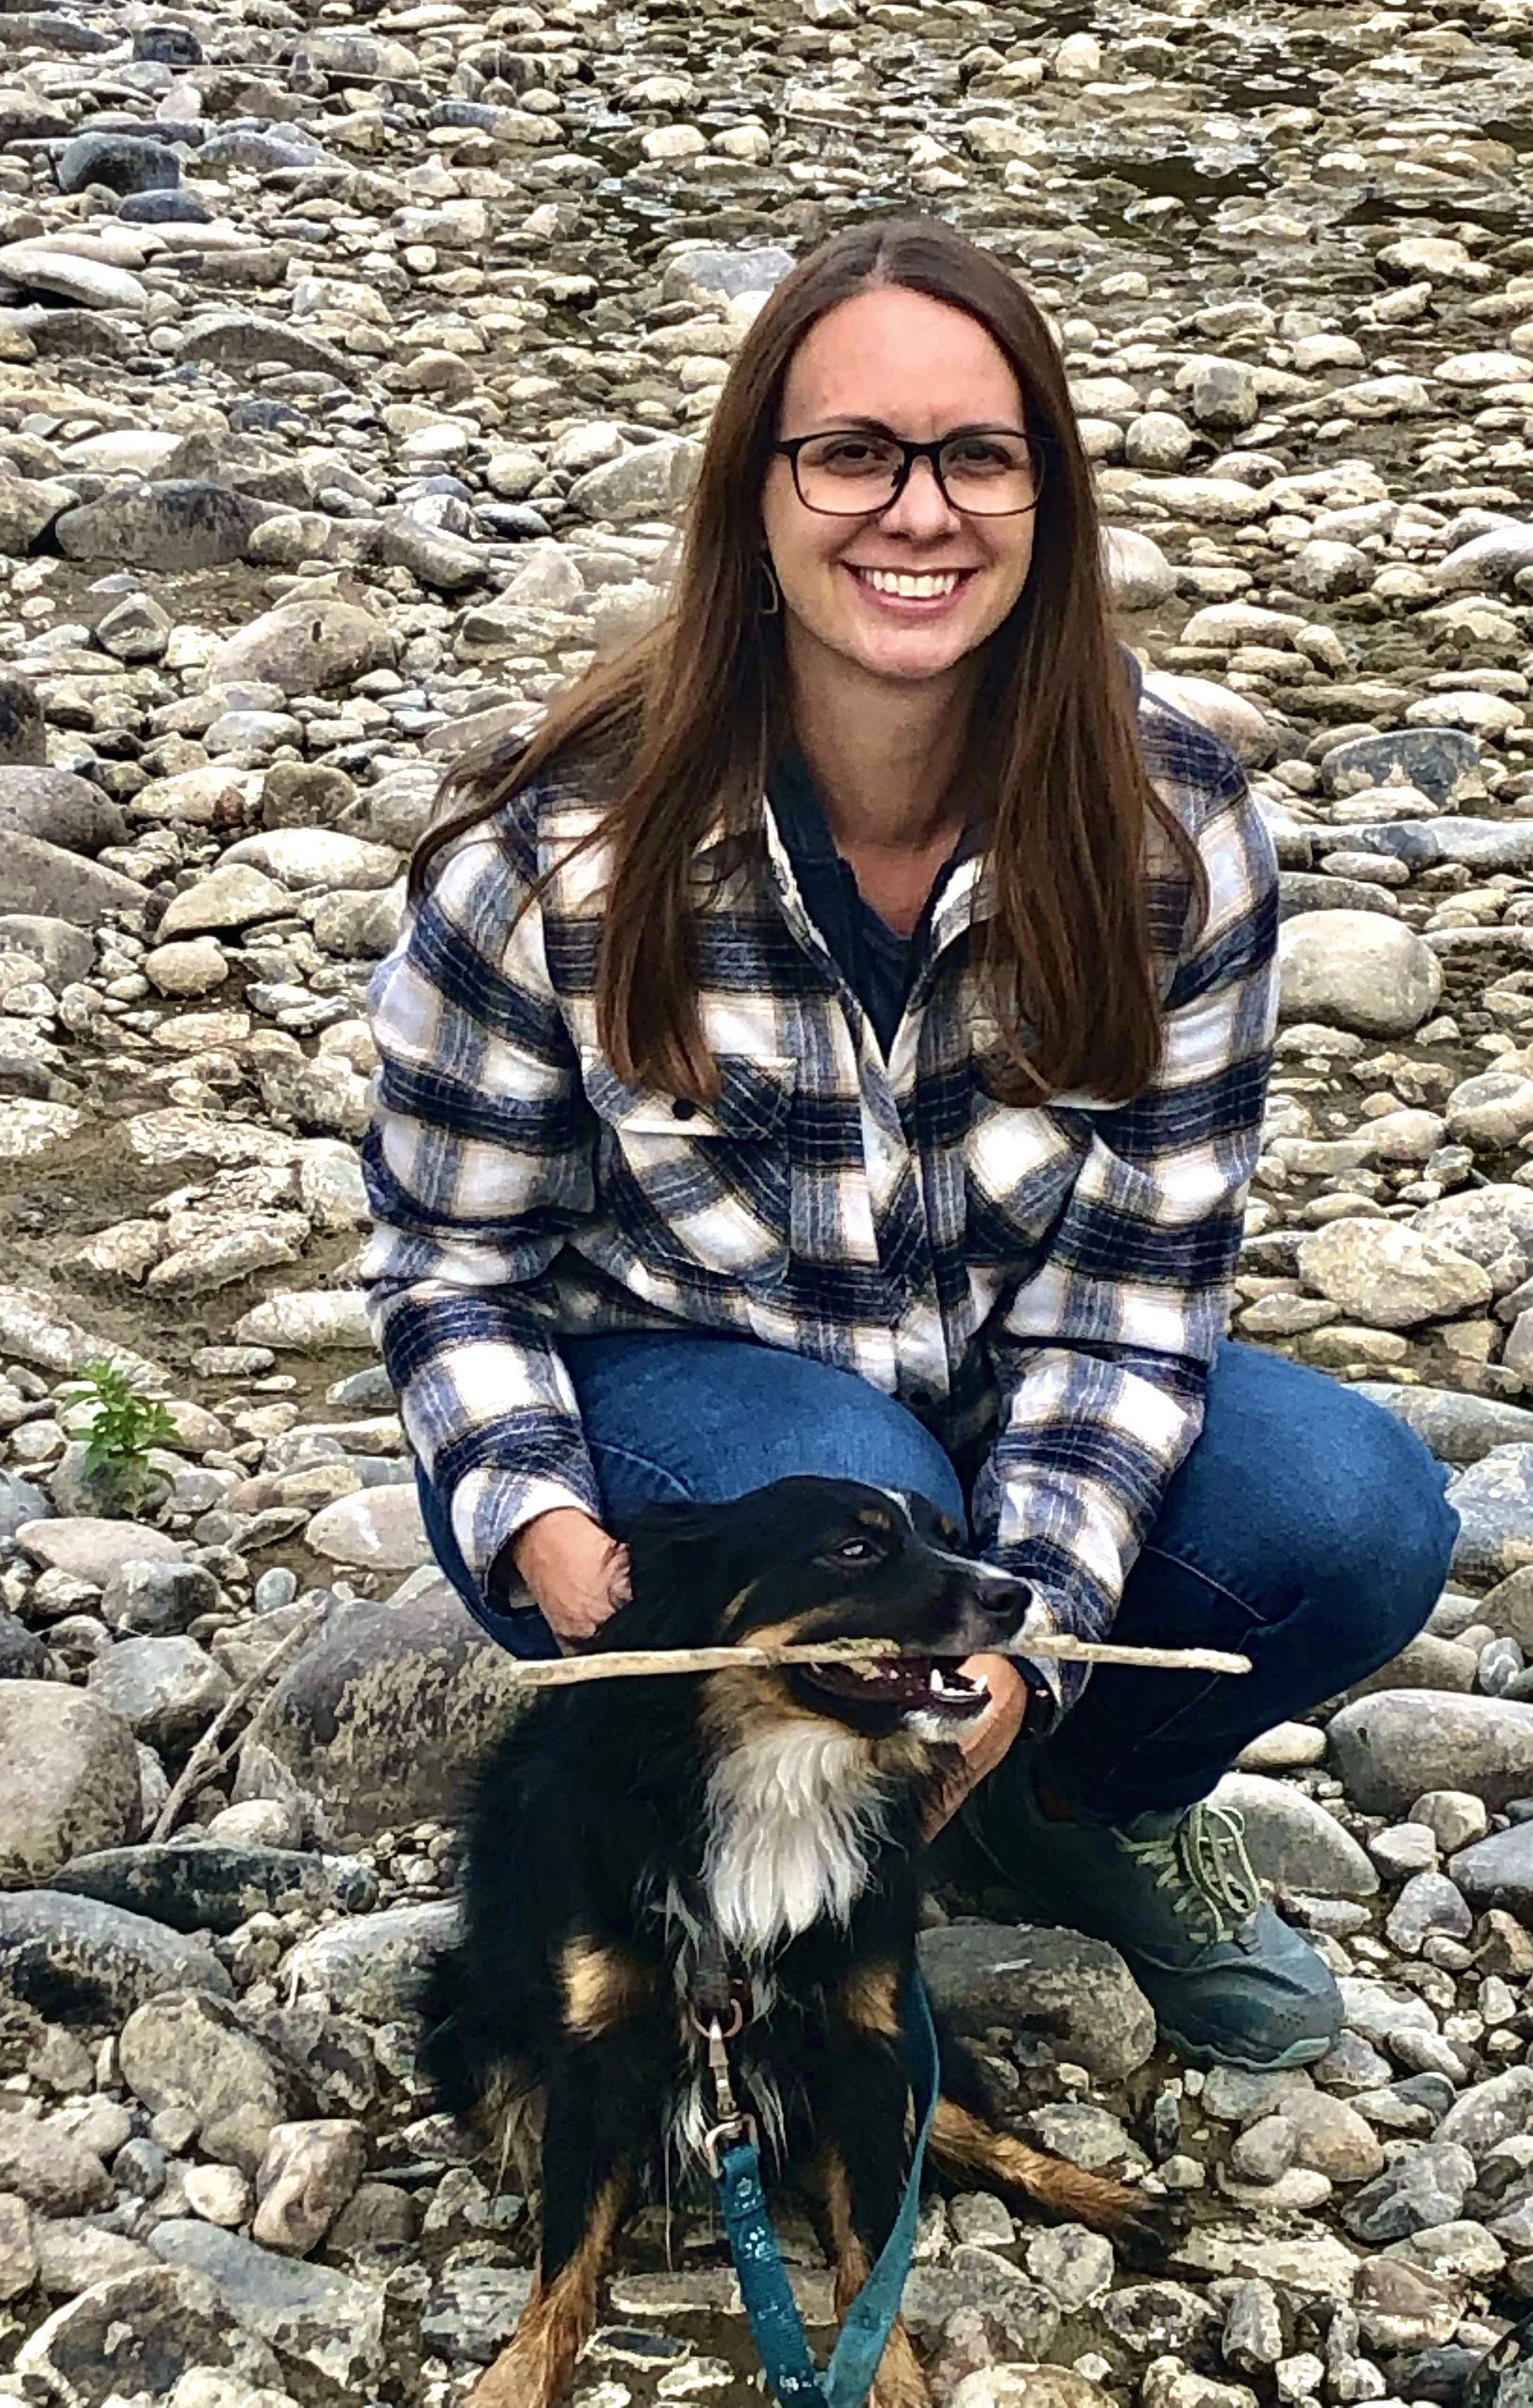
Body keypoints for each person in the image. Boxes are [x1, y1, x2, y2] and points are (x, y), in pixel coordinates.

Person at [363, 218, 1460, 2075]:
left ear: (1046, 496)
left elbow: (1130, 1312)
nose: (916, 513)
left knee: (1358, 1513)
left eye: (975, 456)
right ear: (758, 495)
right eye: (852, 453)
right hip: (670, 1438)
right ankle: (730, 1850)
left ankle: (1061, 1808)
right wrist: (541, 1519)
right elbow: (447, 1267)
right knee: (849, 1471)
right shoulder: (549, 856)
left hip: (988, 1421)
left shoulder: (1172, 831)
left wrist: (1020, 1656)